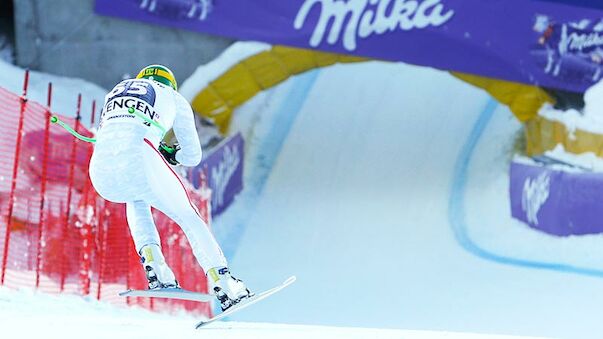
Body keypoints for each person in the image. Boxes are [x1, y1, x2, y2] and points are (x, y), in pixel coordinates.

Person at [89, 64, 252, 310]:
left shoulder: (116, 91)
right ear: (170, 85)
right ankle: (225, 282)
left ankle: (155, 266)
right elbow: (192, 156)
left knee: (135, 198)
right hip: (141, 156)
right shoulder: (173, 97)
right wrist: (171, 153)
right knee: (189, 216)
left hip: (100, 169)